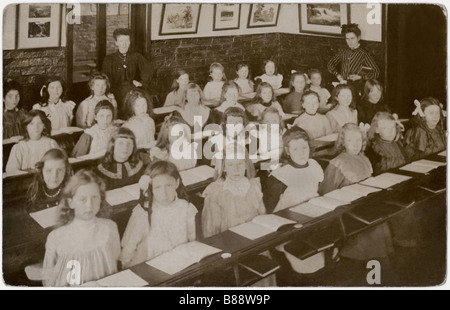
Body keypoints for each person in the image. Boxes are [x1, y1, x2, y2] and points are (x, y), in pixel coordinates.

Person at [319, 123, 394, 267]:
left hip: (366, 204)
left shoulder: (364, 159)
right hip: (347, 212)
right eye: (350, 140)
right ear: (343, 142)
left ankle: (377, 265)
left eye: (358, 140)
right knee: (373, 224)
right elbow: (325, 194)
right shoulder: (337, 163)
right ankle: (369, 262)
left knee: (381, 216)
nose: (355, 144)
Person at [42, 170, 120, 286]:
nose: (89, 205)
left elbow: (115, 261)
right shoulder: (56, 237)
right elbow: (48, 279)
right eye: (82, 199)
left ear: (101, 200)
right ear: (71, 203)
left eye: (95, 197)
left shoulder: (110, 228)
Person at [120, 161, 197, 268]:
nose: (164, 193)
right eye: (157, 187)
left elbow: (191, 240)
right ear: (150, 188)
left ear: (177, 183)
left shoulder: (186, 208)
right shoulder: (143, 213)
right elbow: (129, 248)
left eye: (169, 185)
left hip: (179, 263)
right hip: (149, 266)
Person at [202, 143, 264, 238]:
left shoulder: (253, 185)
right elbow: (211, 231)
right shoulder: (215, 192)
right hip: (229, 242)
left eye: (240, 163)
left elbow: (263, 216)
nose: (236, 169)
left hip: (256, 238)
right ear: (224, 167)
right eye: (230, 164)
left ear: (246, 165)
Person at [263, 127, 323, 213]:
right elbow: (270, 207)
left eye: (304, 148)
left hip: (312, 212)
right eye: (295, 149)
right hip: (287, 216)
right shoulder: (280, 175)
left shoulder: (314, 165)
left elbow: (319, 191)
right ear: (287, 151)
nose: (301, 153)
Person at [101, 28, 151, 117]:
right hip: (117, 94)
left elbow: (147, 70)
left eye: (127, 40)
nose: (124, 44)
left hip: (134, 91)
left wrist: (141, 83)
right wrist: (109, 93)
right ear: (116, 43)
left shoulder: (136, 57)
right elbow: (106, 80)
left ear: (130, 42)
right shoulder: (109, 60)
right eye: (121, 41)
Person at [327, 23, 380, 95]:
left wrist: (360, 77)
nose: (350, 42)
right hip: (343, 86)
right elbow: (330, 64)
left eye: (352, 38)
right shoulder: (343, 51)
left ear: (358, 38)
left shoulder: (364, 54)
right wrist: (337, 75)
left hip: (356, 89)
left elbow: (376, 73)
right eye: (347, 39)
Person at [27, 148, 72, 213]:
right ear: (41, 171)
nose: (54, 176)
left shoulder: (72, 190)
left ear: (66, 170)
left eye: (59, 170)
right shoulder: (34, 190)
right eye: (49, 171)